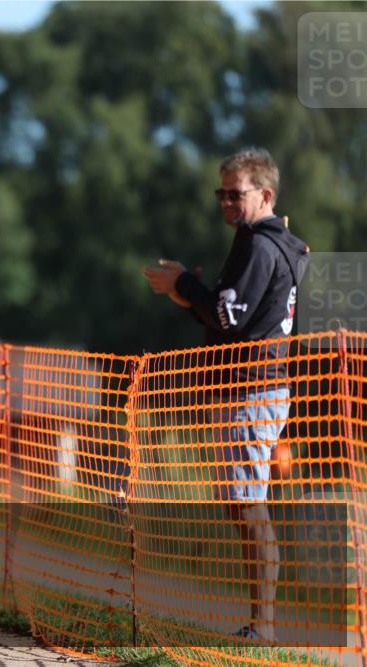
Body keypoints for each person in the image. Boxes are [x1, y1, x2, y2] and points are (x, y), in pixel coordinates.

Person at [143, 147, 309, 643]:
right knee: (241, 503)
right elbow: (229, 314)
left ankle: (263, 627)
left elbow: (228, 316)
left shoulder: (260, 245)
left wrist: (183, 283)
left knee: (248, 505)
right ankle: (260, 624)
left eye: (235, 194)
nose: (226, 203)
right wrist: (190, 295)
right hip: (246, 387)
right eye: (222, 193)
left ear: (266, 195)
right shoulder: (258, 241)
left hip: (251, 390)